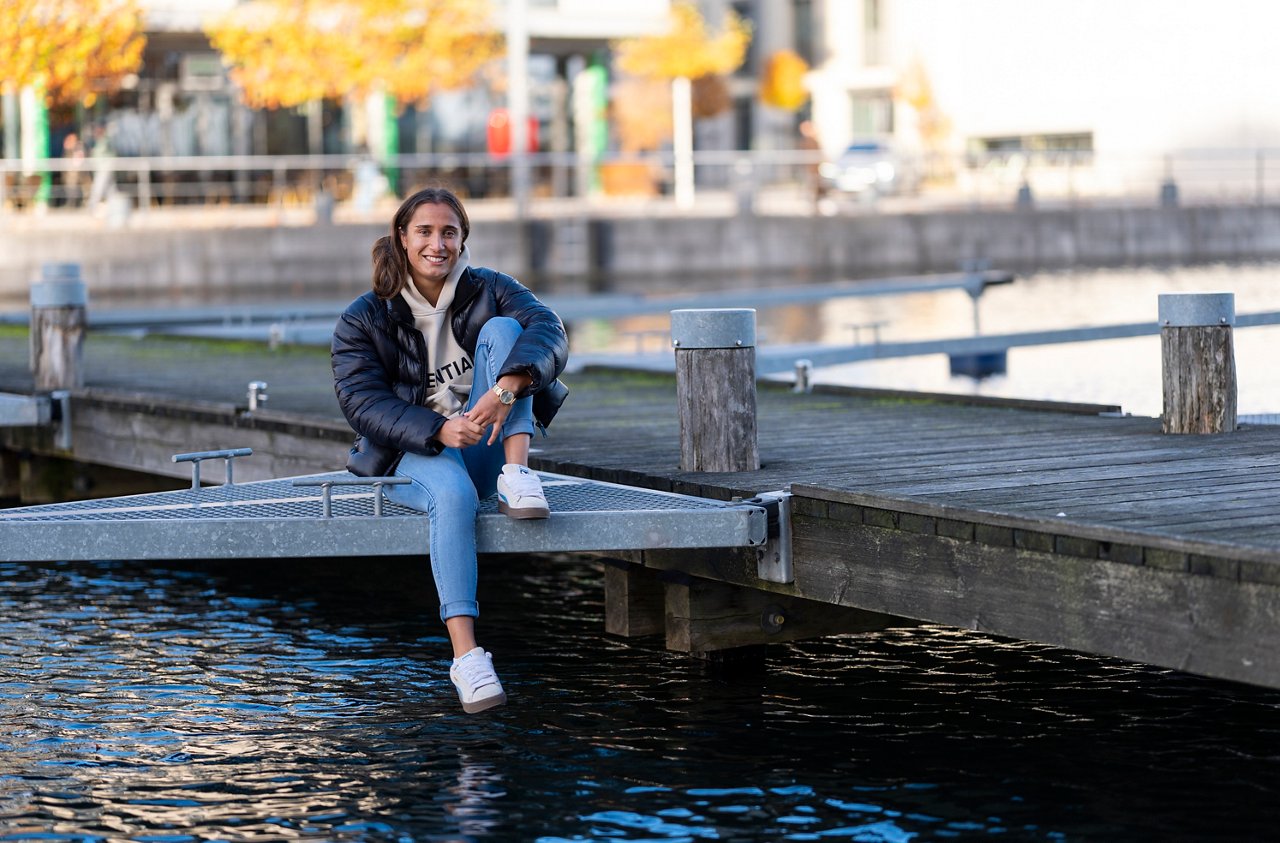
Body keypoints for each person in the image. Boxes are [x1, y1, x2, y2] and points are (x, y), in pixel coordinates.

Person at [331, 186, 569, 714]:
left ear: (463, 241)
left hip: (487, 440)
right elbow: (361, 401)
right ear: (402, 237)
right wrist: (437, 431)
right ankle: (467, 657)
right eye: (424, 231)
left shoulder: (489, 288)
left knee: (511, 330)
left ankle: (516, 475)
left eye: (448, 232)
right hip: (411, 453)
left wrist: (503, 390)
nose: (437, 244)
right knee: (455, 495)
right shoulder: (364, 318)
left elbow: (549, 329)